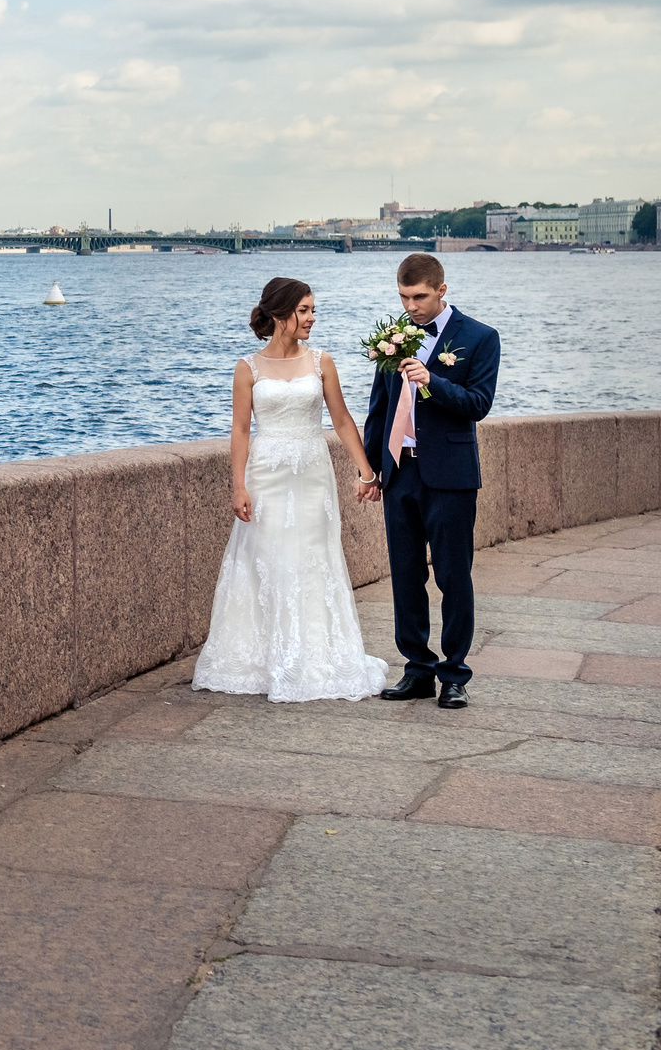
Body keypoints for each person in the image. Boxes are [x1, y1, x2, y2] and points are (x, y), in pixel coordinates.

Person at [192, 277, 391, 702]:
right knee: (265, 560)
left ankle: (315, 655)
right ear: (281, 315)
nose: (312, 318)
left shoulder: (322, 362)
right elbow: (241, 428)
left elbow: (340, 420)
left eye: (312, 310)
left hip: (312, 474)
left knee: (313, 557)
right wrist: (238, 485)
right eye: (304, 310)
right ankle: (263, 660)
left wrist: (366, 473)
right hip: (266, 474)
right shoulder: (247, 368)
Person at [361, 252, 501, 709]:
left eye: (419, 296)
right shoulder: (393, 337)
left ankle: (454, 674)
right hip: (401, 472)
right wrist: (370, 467)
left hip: (451, 476)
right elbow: (379, 410)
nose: (411, 306)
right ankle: (417, 669)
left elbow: (478, 403)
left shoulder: (479, 337)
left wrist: (431, 381)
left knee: (453, 576)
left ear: (442, 290)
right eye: (403, 296)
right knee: (404, 575)